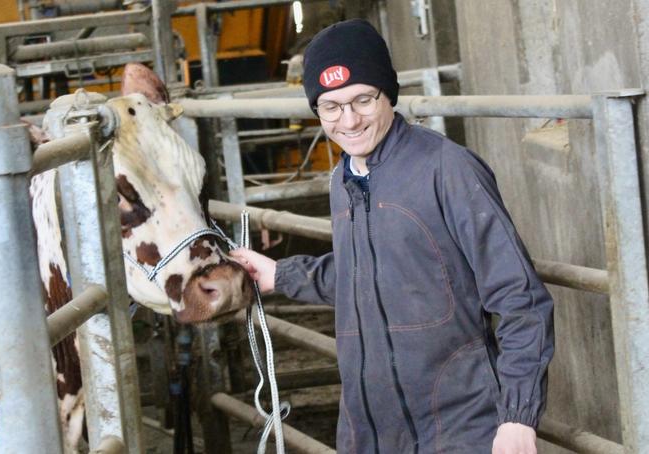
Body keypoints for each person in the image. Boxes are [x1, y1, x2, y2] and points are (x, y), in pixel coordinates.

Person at [231, 19, 554, 454]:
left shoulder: (447, 168)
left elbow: (520, 298)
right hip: (368, 430)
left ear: (389, 94)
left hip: (457, 427)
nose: (348, 120)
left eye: (363, 99)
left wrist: (517, 416)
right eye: (331, 106)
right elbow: (370, 270)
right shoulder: (342, 179)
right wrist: (281, 275)